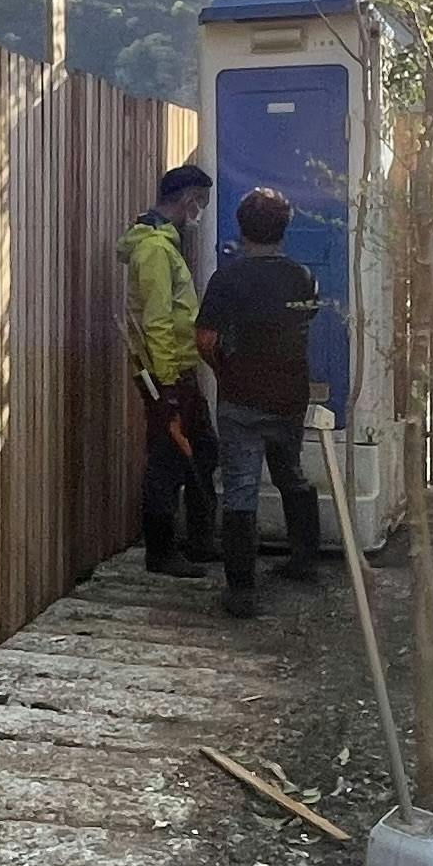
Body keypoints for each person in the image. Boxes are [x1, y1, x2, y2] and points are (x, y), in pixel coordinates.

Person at [195, 184, 327, 620]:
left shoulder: (227, 280)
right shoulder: (302, 277)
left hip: (241, 397)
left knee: (240, 486)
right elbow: (306, 319)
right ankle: (304, 559)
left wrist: (224, 370)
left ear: (242, 228)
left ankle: (242, 591)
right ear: (285, 228)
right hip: (289, 395)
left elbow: (205, 339)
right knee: (291, 473)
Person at [122, 166, 217, 575]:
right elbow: (158, 321)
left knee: (203, 453)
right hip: (168, 374)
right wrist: (168, 385)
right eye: (201, 201)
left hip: (180, 369)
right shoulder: (156, 250)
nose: (200, 211)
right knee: (168, 459)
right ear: (188, 198)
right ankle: (161, 552)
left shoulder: (164, 244)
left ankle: (199, 542)